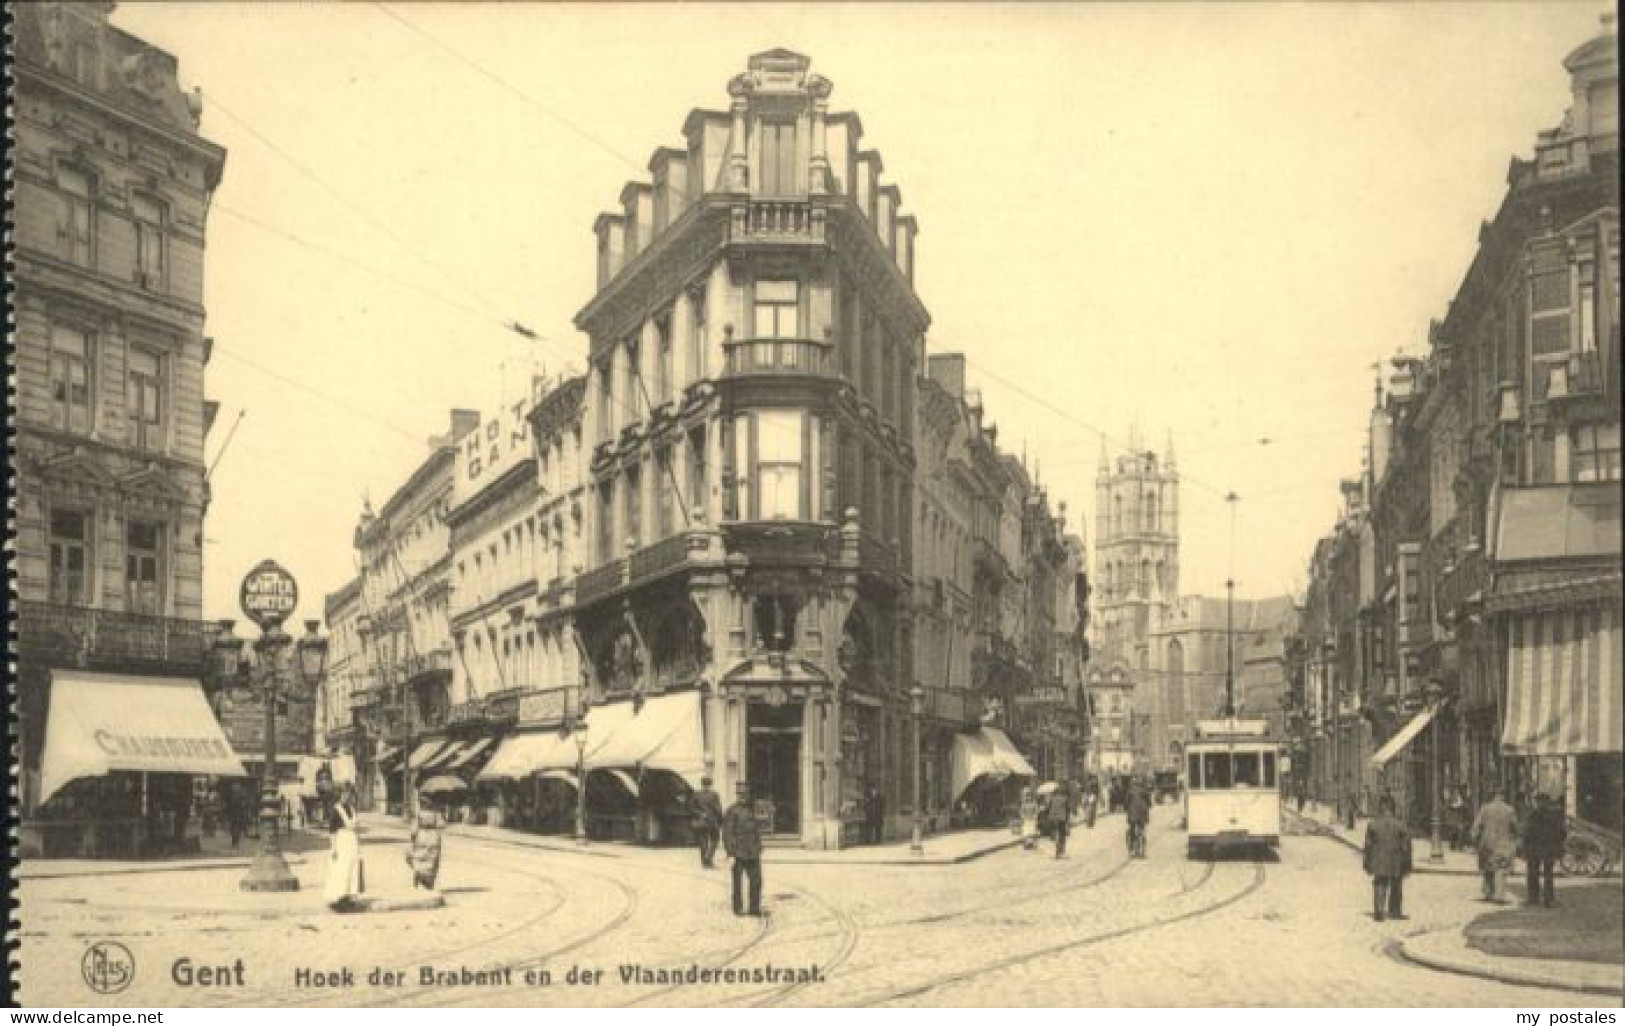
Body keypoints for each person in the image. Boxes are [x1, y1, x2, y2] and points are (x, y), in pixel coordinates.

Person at [1362, 795, 1412, 921]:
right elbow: (1406, 846)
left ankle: (1379, 911)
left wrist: (1367, 862)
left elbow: (1368, 846)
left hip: (1379, 860)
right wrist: (1407, 864)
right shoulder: (1400, 825)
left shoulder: (1373, 824)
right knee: (1396, 884)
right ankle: (1394, 911)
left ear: (1381, 807)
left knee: (1380, 883)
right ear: (1393, 808)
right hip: (1396, 860)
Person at [722, 780, 764, 917]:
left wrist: (759, 845)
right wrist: (730, 852)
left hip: (753, 851)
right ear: (737, 795)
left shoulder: (752, 810)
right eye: (740, 794)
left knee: (756, 881)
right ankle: (737, 908)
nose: (743, 796)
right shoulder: (731, 811)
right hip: (739, 852)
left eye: (745, 794)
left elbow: (756, 830)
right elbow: (727, 833)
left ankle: (754, 908)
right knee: (737, 882)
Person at [1471, 786, 1518, 904]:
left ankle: (1488, 892)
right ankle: (1499, 894)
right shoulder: (1509, 810)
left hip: (1486, 843)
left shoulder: (1485, 809)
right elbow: (1515, 827)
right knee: (1501, 868)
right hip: (1503, 843)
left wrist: (1475, 839)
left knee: (1488, 867)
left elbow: (1476, 827)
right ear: (1502, 796)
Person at [323, 787, 365, 912]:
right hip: (341, 842)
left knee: (352, 869)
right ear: (340, 795)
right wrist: (334, 847)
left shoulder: (351, 809)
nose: (347, 796)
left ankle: (348, 896)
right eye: (344, 794)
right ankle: (338, 899)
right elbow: (332, 830)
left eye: (349, 794)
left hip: (352, 842)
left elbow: (355, 826)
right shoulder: (336, 810)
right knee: (341, 870)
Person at [1523, 792, 1566, 908]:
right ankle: (1548, 898)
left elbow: (1527, 832)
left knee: (1533, 873)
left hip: (1534, 848)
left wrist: (1525, 845)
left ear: (1537, 802)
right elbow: (1562, 832)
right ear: (1547, 802)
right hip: (1549, 848)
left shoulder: (1532, 815)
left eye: (1537, 801)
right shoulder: (1555, 815)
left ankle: (1533, 898)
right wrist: (1557, 844)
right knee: (1548, 874)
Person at [407, 802, 445, 892]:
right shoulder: (436, 813)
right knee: (432, 858)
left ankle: (419, 872)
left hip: (422, 835)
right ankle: (428, 881)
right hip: (433, 836)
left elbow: (414, 828)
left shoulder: (419, 814)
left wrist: (412, 838)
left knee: (420, 856)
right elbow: (441, 825)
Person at [690, 777, 724, 869]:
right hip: (712, 822)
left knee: (703, 842)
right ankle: (708, 859)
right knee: (715, 840)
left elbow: (691, 808)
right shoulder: (714, 795)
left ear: (702, 784)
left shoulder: (696, 794)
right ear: (710, 784)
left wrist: (700, 814)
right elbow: (718, 809)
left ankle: (704, 863)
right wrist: (721, 821)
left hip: (700, 821)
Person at [1124, 779, 1150, 857]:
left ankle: (1131, 849)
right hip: (1143, 813)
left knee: (1132, 830)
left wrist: (1126, 808)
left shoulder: (1130, 790)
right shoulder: (1144, 790)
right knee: (1142, 829)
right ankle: (1142, 850)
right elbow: (1149, 802)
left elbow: (1126, 802)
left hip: (1133, 813)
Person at [1046, 784, 1072, 859]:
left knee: (1055, 832)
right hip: (1061, 819)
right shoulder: (1065, 798)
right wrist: (1068, 819)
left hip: (1053, 818)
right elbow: (1068, 809)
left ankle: (1057, 848)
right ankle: (1062, 850)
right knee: (1062, 834)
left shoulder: (1052, 798)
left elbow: (1048, 808)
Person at [1018, 786, 1041, 850]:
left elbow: (1036, 811)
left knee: (1032, 831)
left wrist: (1035, 816)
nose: (1028, 798)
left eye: (1029, 796)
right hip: (1026, 819)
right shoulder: (1024, 804)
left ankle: (1033, 844)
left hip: (1032, 819)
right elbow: (1021, 812)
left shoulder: (1034, 803)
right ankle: (1026, 844)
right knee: (1026, 832)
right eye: (1027, 797)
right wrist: (1023, 817)